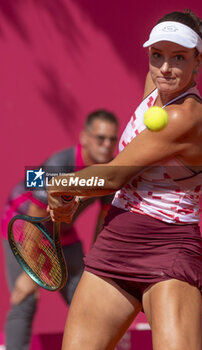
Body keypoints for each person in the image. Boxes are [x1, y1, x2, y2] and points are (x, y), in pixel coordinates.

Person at [47, 10, 202, 350]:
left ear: (197, 62)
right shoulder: (157, 84)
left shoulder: (186, 116)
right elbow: (124, 176)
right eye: (157, 55)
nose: (165, 68)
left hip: (168, 249)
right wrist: (75, 195)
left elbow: (113, 177)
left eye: (179, 57)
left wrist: (63, 186)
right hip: (116, 242)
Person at [1, 109, 119, 350]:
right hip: (24, 224)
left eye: (112, 139)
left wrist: (98, 262)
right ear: (84, 138)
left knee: (87, 301)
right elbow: (34, 213)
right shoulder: (57, 164)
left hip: (60, 231)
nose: (107, 145)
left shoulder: (108, 172)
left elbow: (103, 219)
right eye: (100, 138)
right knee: (26, 297)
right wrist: (29, 272)